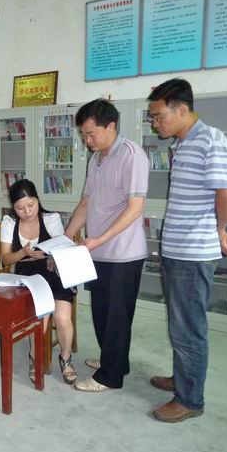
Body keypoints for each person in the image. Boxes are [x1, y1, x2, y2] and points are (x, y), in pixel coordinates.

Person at [147, 78, 227, 423]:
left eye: (159, 116)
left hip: (193, 253)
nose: (155, 123)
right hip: (176, 249)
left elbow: (226, 194)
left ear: (182, 109)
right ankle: (182, 378)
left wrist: (219, 230)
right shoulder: (182, 144)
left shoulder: (210, 139)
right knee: (179, 323)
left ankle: (190, 400)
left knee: (189, 328)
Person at [65, 99, 149, 393]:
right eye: (83, 135)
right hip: (96, 251)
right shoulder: (96, 159)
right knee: (102, 310)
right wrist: (67, 236)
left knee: (117, 316)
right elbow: (86, 202)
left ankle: (110, 377)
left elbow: (135, 208)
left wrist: (99, 239)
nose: (87, 141)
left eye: (91, 134)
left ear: (111, 126)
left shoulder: (132, 155)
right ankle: (114, 361)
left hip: (123, 254)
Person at [1, 179, 78, 384]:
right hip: (29, 278)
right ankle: (35, 358)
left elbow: (62, 249)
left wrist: (56, 253)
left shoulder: (51, 219)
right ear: (13, 207)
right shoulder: (9, 223)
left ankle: (66, 358)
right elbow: (6, 259)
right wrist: (23, 253)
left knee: (62, 318)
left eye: (31, 205)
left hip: (55, 273)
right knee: (40, 320)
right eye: (20, 208)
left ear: (37, 200)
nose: (27, 212)